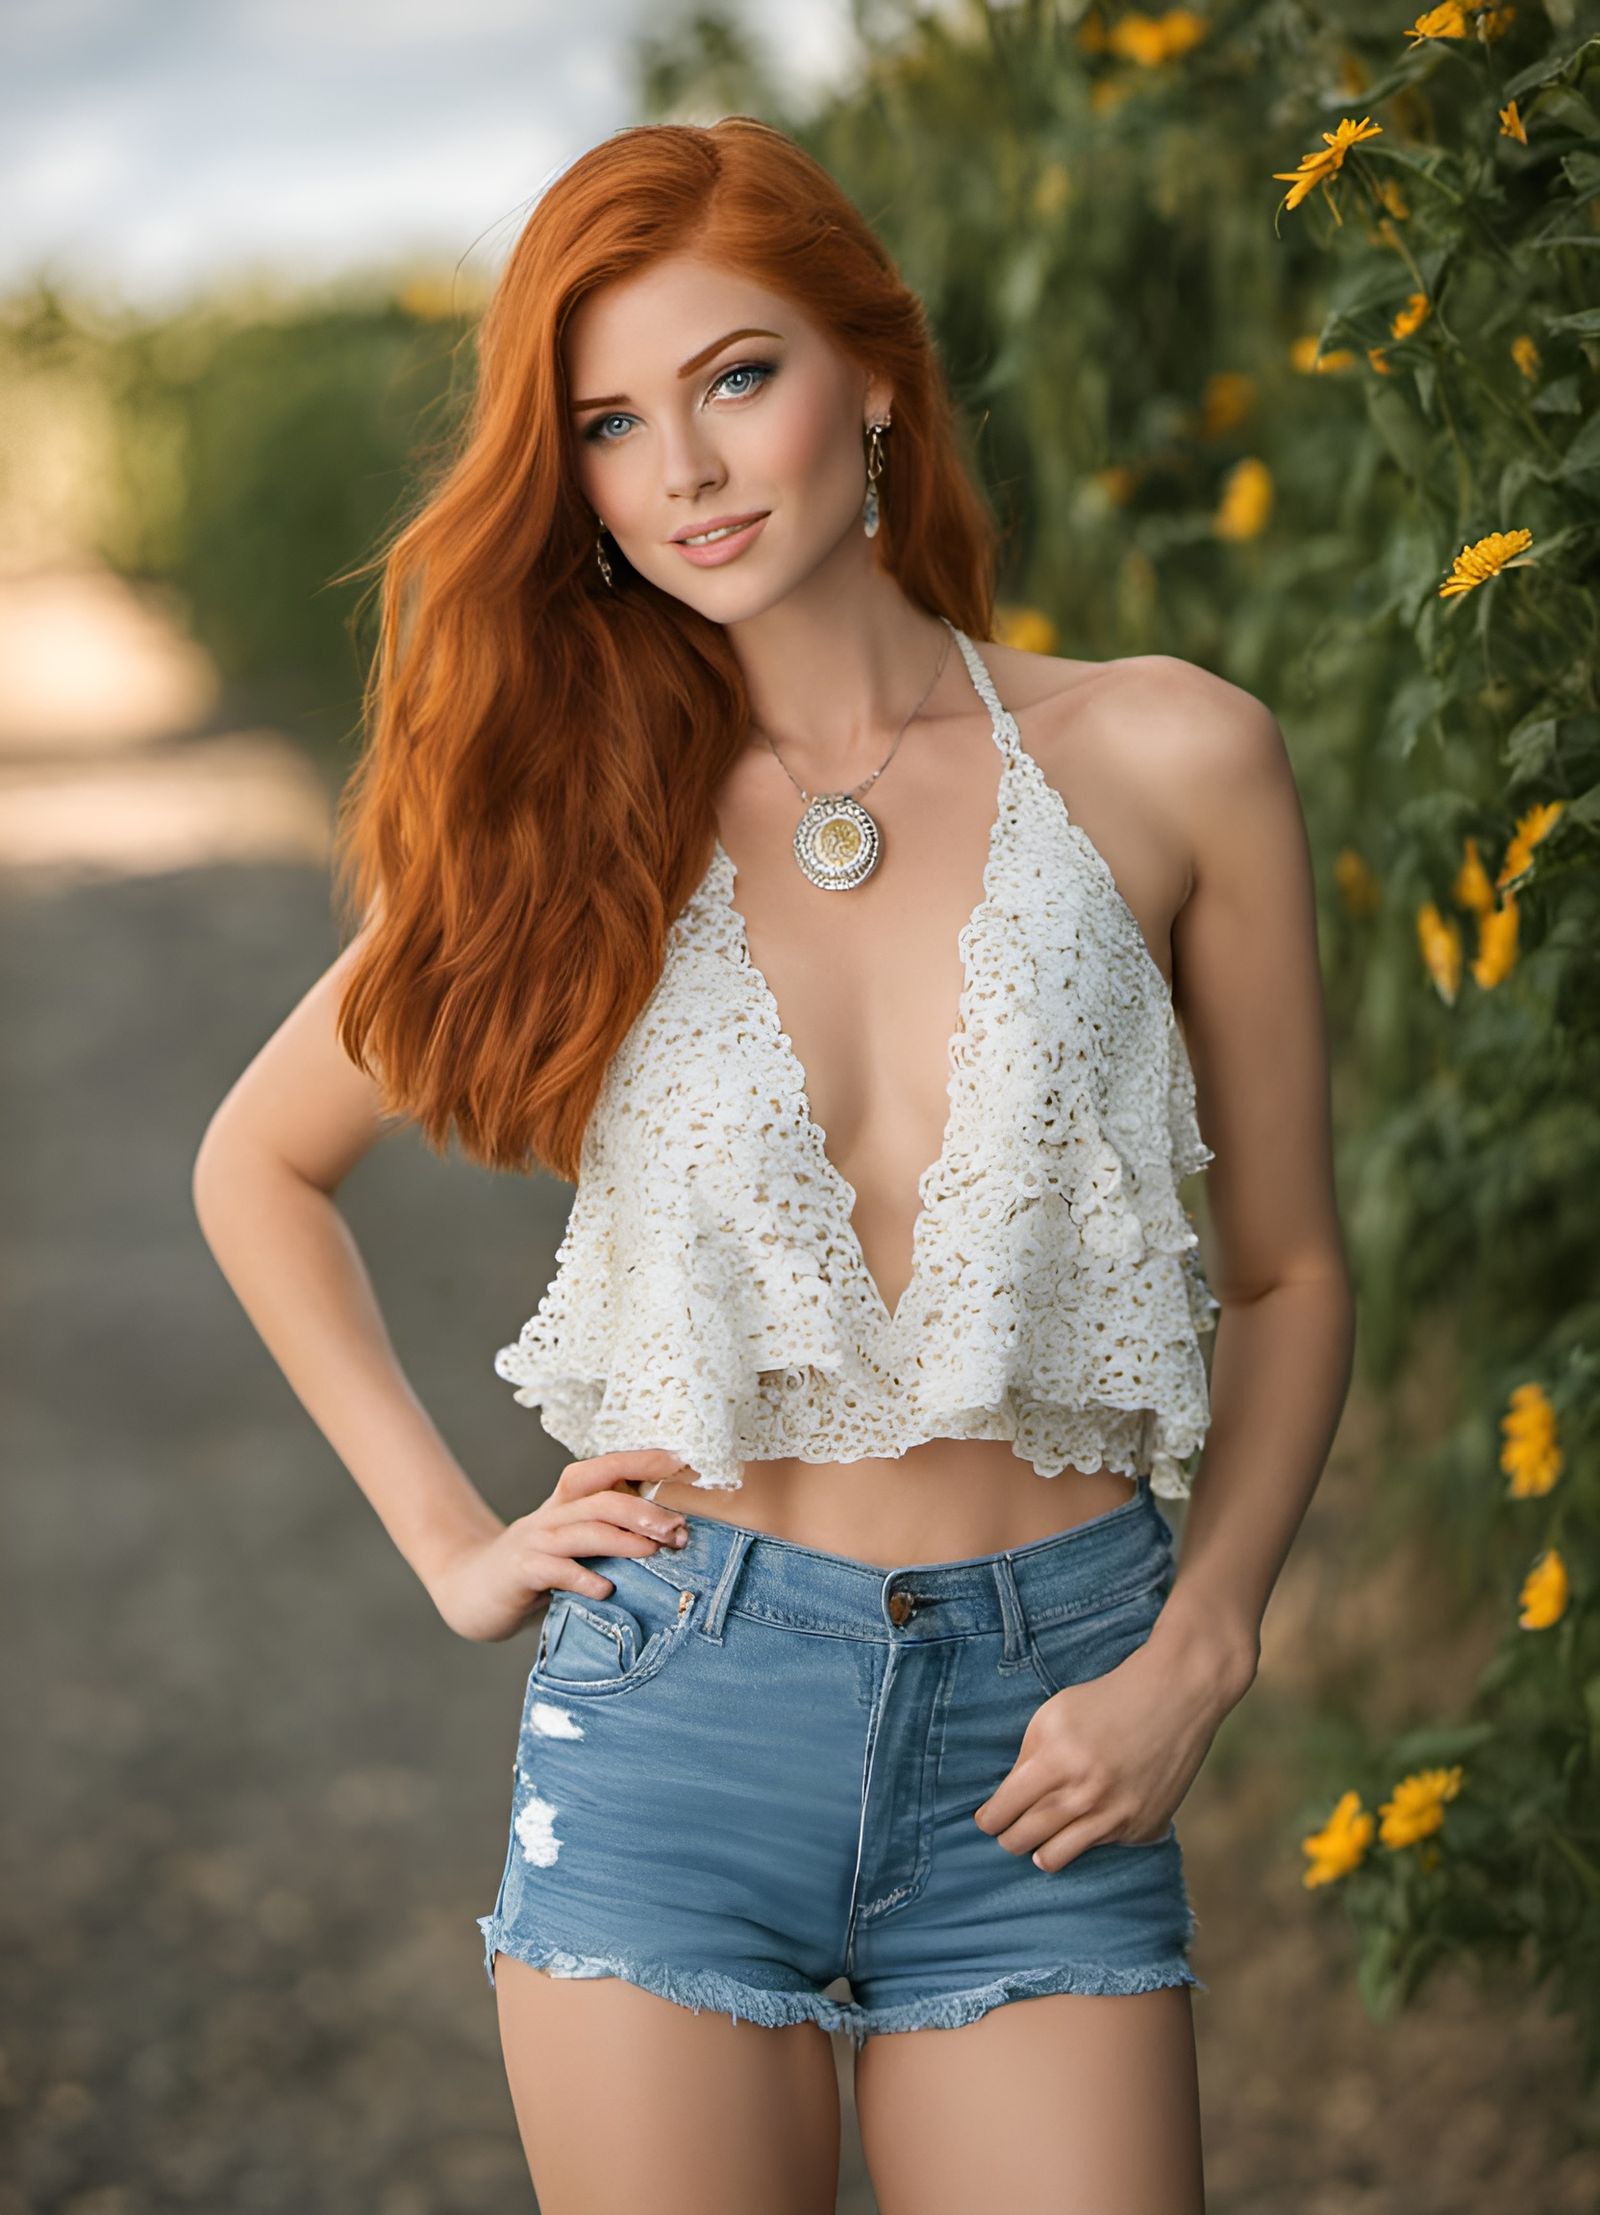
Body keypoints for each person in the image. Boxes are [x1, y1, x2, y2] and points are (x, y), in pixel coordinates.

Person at [193, 116, 1356, 2215]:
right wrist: (454, 1543)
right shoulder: (569, 815)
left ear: (874, 376)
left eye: (736, 377)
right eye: (610, 425)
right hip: (676, 1712)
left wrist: (1203, 1642)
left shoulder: (1175, 756)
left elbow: (1284, 1271)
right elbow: (258, 1166)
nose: (687, 471)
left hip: (1049, 1727)